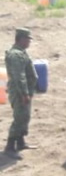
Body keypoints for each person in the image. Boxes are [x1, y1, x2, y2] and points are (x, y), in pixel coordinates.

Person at [3, 28, 38, 160]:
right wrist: (24, 94)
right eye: (28, 39)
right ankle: (10, 147)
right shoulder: (16, 55)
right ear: (21, 39)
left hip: (24, 90)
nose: (29, 42)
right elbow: (20, 77)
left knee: (24, 116)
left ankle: (21, 142)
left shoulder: (21, 52)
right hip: (19, 91)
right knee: (19, 118)